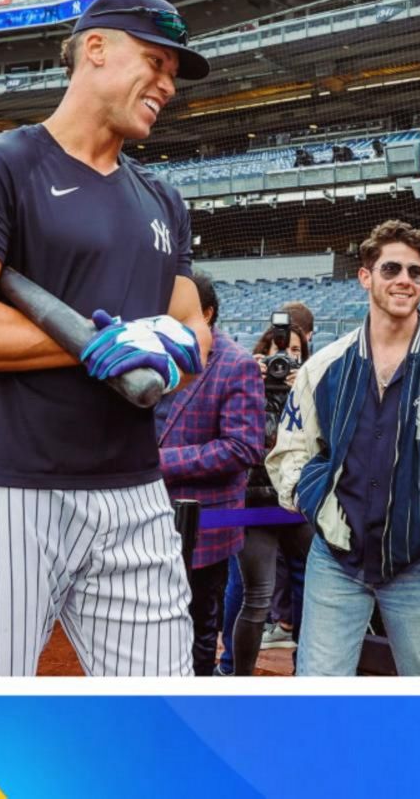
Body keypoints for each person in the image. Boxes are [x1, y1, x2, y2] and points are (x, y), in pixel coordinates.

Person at [0, 0, 213, 676]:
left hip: (134, 490)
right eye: (155, 62)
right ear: (94, 49)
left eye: (172, 74)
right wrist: (93, 345)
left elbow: (191, 325)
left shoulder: (162, 199)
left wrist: (178, 347)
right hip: (4, 492)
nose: (166, 85)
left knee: (165, 706)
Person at [267, 221, 420, 676]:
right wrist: (315, 504)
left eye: (416, 273)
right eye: (391, 268)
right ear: (365, 277)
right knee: (318, 686)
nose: (404, 280)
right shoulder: (325, 366)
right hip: (336, 560)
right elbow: (291, 451)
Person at [154, 270, 266, 676]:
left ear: (208, 313)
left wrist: (160, 462)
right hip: (143, 521)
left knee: (197, 629)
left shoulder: (235, 364)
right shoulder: (150, 357)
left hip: (202, 532)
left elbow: (244, 447)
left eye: (177, 312)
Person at [226, 323, 315, 675]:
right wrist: (250, 383)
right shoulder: (248, 384)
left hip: (298, 503)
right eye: (281, 352)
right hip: (256, 501)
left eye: (295, 353)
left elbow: (321, 444)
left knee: (310, 591)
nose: (287, 360)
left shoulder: (312, 387)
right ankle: (234, 672)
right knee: (255, 594)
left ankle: (305, 673)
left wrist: (306, 395)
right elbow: (244, 439)